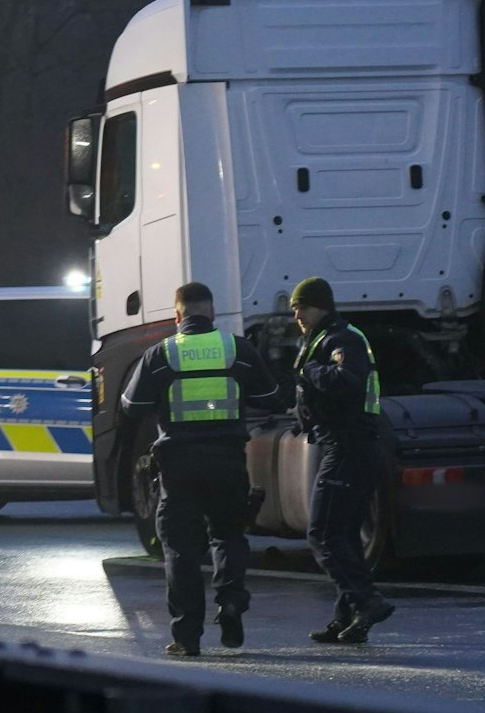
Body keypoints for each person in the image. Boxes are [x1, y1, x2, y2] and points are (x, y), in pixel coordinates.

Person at [120, 282, 283, 657]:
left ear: (177, 316)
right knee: (228, 535)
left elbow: (131, 405)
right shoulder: (236, 349)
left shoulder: (160, 353)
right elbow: (270, 397)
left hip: (179, 465)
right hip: (227, 459)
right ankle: (230, 601)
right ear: (211, 312)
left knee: (180, 549)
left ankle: (187, 637)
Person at [290, 277, 395, 643]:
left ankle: (368, 601)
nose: (296, 315)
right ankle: (347, 617)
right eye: (294, 309)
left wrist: (310, 371)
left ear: (321, 306)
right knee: (345, 534)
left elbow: (346, 380)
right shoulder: (324, 338)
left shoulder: (342, 339)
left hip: (349, 446)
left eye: (301, 307)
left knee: (322, 534)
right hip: (346, 443)